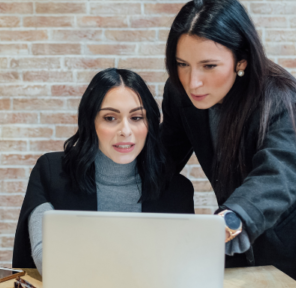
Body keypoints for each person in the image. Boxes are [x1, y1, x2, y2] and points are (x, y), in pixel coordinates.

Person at [161, 0, 296, 288]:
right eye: (182, 64)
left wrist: (230, 220)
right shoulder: (179, 93)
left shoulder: (281, 98)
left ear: (240, 60)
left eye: (209, 65)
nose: (194, 82)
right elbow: (164, 156)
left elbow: (278, 173)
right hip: (242, 216)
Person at [12, 68, 195, 274]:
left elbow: (180, 270)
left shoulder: (178, 190)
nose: (125, 131)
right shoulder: (51, 173)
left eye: (136, 117)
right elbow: (48, 259)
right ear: (91, 122)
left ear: (150, 124)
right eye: (110, 118)